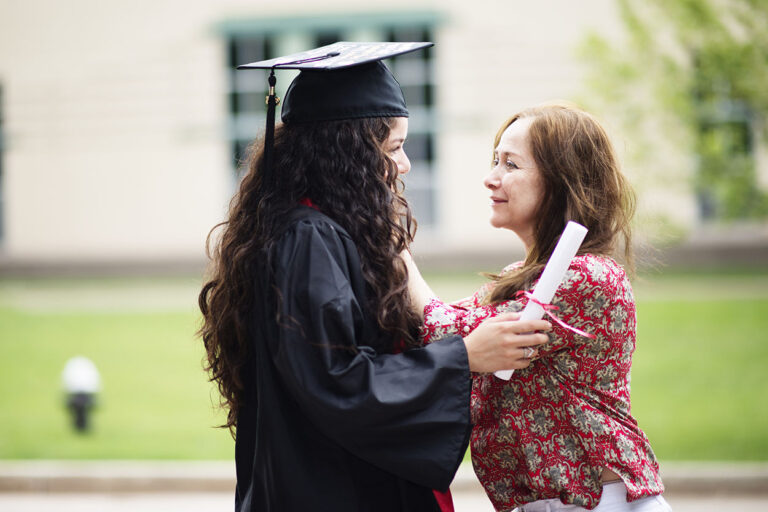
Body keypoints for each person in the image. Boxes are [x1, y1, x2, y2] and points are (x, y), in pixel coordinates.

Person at [197, 42, 551, 512]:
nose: (404, 165)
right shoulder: (307, 238)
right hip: (332, 489)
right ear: (347, 150)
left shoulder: (313, 227)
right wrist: (462, 356)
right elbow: (335, 380)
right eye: (395, 147)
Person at [406, 103, 671, 511]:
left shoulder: (589, 277)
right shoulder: (529, 275)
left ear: (563, 180)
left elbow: (446, 331)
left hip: (598, 503)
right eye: (495, 160)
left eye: (510, 164)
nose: (490, 178)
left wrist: (396, 252)